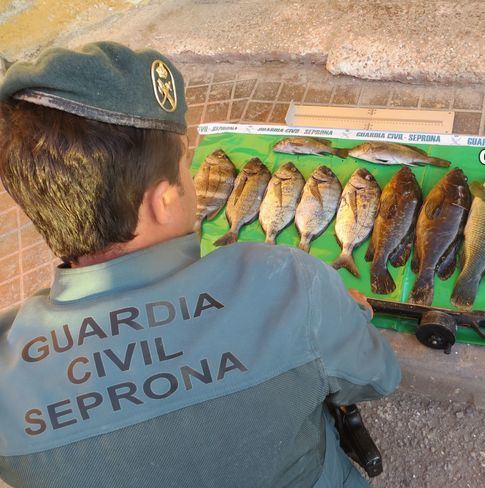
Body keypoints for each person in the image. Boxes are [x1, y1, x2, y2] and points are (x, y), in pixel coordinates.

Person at [0, 42, 401, 488]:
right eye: (189, 167)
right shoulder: (289, 281)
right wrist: (349, 312)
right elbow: (377, 375)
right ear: (164, 201)